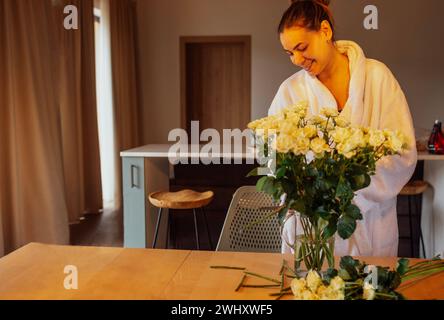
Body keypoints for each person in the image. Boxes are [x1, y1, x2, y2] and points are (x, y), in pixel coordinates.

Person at [271, 0, 417, 257]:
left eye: (302, 47)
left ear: (325, 31)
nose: (296, 59)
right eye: (289, 52)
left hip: (370, 228)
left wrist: (348, 193)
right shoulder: (290, 91)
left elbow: (403, 153)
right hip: (312, 235)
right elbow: (271, 157)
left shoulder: (377, 78)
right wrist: (304, 192)